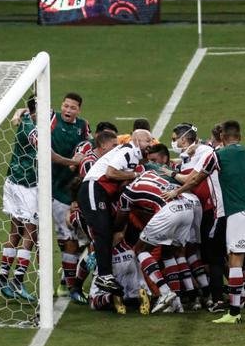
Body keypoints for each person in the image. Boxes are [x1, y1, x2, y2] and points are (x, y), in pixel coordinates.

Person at [206, 120, 245, 325]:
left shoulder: (218, 155)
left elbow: (197, 177)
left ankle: (234, 313)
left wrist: (177, 189)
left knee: (236, 258)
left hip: (238, 213)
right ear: (240, 137)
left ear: (222, 137)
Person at [78, 129, 154, 295]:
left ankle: (103, 274)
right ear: (137, 140)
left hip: (102, 192)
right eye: (147, 141)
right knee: (102, 231)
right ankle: (102, 276)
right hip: (94, 187)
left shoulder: (133, 156)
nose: (151, 144)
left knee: (106, 232)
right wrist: (135, 175)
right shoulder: (128, 150)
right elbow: (110, 173)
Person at [164, 123, 228, 313]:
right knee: (207, 255)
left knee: (216, 256)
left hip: (213, 210)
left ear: (184, 139)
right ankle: (212, 294)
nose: (173, 142)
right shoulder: (190, 155)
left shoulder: (204, 151)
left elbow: (191, 179)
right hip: (201, 210)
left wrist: (170, 174)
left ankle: (226, 297)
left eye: (174, 139)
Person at [114, 169, 198, 314]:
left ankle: (165, 292)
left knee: (140, 250)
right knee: (169, 253)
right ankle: (177, 303)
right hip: (187, 207)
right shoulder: (150, 173)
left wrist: (113, 230)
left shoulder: (126, 193)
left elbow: (121, 220)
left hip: (169, 210)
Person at [0, 97, 39, 302]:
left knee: (16, 230)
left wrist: (18, 113)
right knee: (31, 232)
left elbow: (24, 109)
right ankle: (17, 281)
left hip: (12, 180)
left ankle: (2, 277)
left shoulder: (27, 117)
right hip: (26, 185)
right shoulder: (32, 130)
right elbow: (47, 151)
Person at [50, 93, 91, 300]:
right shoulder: (51, 118)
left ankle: (67, 281)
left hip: (73, 189)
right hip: (55, 189)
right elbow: (27, 112)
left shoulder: (83, 126)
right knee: (69, 238)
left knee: (80, 239)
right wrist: (19, 113)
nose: (68, 110)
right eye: (65, 106)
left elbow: (87, 147)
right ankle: (67, 285)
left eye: (72, 107)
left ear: (79, 110)